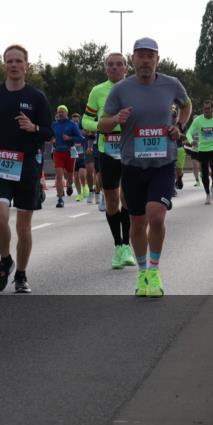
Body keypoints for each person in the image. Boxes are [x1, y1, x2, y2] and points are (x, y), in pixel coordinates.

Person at [99, 37, 191, 298]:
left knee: (156, 215)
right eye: (140, 55)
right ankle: (142, 272)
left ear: (157, 59)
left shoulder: (171, 84)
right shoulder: (121, 90)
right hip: (131, 164)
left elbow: (186, 105)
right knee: (137, 223)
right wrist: (116, 119)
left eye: (150, 56)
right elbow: (103, 124)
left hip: (163, 162)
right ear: (133, 60)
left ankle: (154, 268)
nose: (145, 60)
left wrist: (179, 126)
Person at [0, 44, 53, 294]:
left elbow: (50, 133)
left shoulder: (37, 97)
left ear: (27, 66)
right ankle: (6, 259)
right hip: (0, 163)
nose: (14, 65)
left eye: (19, 61)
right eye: (10, 61)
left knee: (23, 227)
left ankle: (21, 275)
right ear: (4, 65)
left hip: (28, 165)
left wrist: (35, 128)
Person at [81, 52, 135, 270]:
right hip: (108, 149)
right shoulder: (98, 91)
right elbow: (86, 118)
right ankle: (118, 246)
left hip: (131, 148)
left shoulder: (135, 88)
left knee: (128, 198)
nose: (114, 68)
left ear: (126, 68)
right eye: (110, 65)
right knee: (112, 200)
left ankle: (127, 246)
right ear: (105, 69)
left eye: (119, 64)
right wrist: (100, 127)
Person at [185, 99, 213, 205]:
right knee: (204, 174)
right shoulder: (198, 120)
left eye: (208, 108)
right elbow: (189, 133)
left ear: (212, 109)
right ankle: (207, 194)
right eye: (204, 109)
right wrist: (191, 141)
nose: (206, 110)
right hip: (202, 149)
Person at [51, 105, 83, 208]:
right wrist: (51, 139)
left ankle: (69, 185)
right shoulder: (54, 125)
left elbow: (81, 138)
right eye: (59, 112)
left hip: (70, 152)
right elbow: (48, 136)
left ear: (66, 113)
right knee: (59, 176)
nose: (60, 113)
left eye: (62, 112)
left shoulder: (72, 125)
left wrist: (70, 138)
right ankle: (60, 199)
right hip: (57, 152)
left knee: (70, 175)